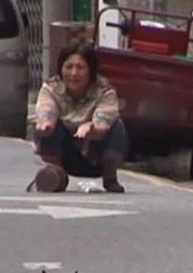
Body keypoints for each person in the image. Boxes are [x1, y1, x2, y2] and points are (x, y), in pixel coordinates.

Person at [34, 43, 129, 193]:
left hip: (94, 154)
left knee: (117, 126)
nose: (73, 73)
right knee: (44, 127)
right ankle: (56, 174)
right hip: (67, 154)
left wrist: (92, 129)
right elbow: (47, 110)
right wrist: (46, 125)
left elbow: (104, 121)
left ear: (90, 70)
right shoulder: (51, 88)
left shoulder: (105, 90)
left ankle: (110, 178)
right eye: (69, 67)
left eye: (80, 68)